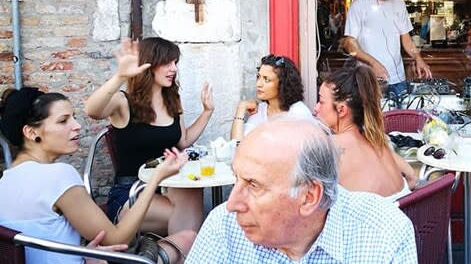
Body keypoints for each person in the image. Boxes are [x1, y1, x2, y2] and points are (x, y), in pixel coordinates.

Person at [0, 87, 195, 264]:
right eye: (63, 121)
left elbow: (40, 243)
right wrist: (156, 178)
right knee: (188, 239)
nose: (77, 126)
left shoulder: (5, 180)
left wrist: (83, 253)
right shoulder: (58, 176)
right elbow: (118, 239)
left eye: (73, 117)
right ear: (31, 132)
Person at [185, 118, 417, 263]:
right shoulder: (224, 227)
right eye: (237, 179)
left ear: (309, 197)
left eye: (253, 185)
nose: (232, 204)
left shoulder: (382, 232)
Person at [85, 37, 213, 235]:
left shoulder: (172, 99)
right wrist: (120, 76)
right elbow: (92, 110)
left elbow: (183, 141)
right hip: (131, 192)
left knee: (193, 192)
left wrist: (207, 112)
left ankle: (167, 254)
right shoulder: (123, 102)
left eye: (175, 63)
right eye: (167, 63)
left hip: (165, 185)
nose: (174, 69)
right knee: (183, 217)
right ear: (148, 64)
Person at [314, 63, 417, 199]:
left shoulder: (329, 147)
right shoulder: (376, 140)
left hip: (373, 218)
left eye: (321, 102)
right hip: (402, 211)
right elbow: (412, 177)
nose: (316, 108)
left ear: (342, 110)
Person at [342, 0, 432, 102]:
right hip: (370, 80)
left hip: (398, 79)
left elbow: (406, 38)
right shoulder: (359, 5)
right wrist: (373, 63)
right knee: (372, 120)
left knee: (400, 119)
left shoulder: (399, 3)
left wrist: (418, 58)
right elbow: (349, 44)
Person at [230, 54, 312, 140]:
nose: (258, 84)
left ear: (282, 84)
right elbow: (237, 145)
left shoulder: (298, 112)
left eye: (266, 80)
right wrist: (241, 108)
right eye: (258, 77)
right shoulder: (260, 110)